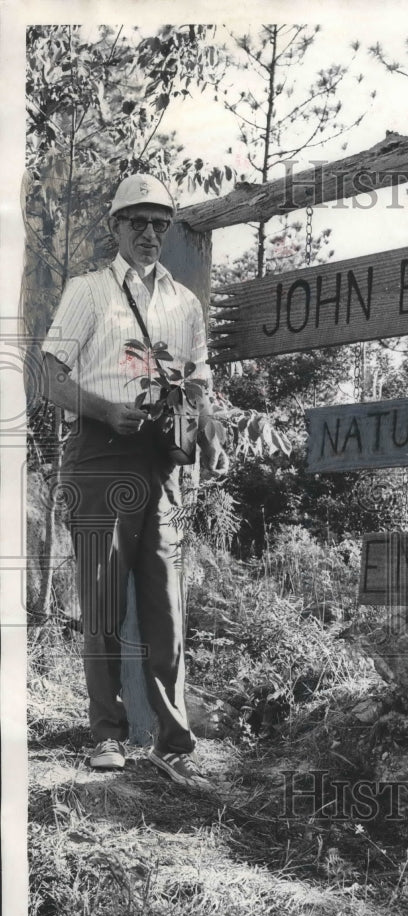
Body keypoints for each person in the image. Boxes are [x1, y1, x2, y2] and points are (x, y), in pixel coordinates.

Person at [40, 174, 226, 789]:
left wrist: (206, 432)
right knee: (101, 595)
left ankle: (172, 739)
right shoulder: (89, 291)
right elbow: (48, 375)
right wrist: (100, 409)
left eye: (159, 223)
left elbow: (198, 381)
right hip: (98, 453)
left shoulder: (185, 303)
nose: (149, 233)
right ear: (116, 227)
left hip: (162, 459)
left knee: (163, 599)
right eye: (137, 222)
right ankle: (106, 733)